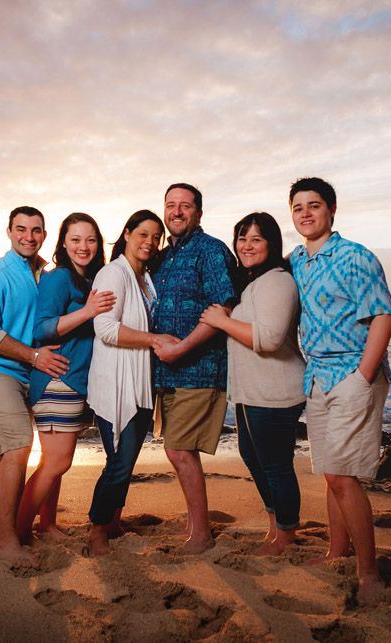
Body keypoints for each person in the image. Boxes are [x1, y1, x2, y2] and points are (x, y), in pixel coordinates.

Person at [287, 177, 391, 606]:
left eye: (314, 206)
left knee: (342, 474)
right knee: (331, 472)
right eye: (298, 208)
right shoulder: (296, 260)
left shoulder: (356, 256)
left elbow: (384, 315)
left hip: (354, 373)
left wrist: (363, 376)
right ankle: (336, 551)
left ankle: (369, 572)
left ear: (332, 210)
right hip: (316, 377)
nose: (306, 214)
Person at [0, 206, 70, 566]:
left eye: (36, 230)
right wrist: (35, 357)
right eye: (21, 229)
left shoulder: (47, 276)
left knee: (0, 451)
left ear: (44, 234)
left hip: (28, 376)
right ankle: (8, 542)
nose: (29, 236)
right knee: (20, 444)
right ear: (8, 231)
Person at [199, 212, 306, 556]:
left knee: (276, 466)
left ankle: (286, 538)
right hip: (252, 391)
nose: (246, 246)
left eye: (256, 239)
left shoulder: (277, 280)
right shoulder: (254, 282)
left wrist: (221, 321)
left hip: (276, 390)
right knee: (254, 458)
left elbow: (271, 338)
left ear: (272, 244)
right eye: (242, 239)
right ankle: (277, 529)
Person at [16, 212, 115, 547]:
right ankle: (16, 532)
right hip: (59, 380)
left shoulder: (92, 279)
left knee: (51, 461)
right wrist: (87, 312)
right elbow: (40, 328)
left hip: (78, 381)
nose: (83, 246)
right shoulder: (58, 277)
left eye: (90, 239)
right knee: (59, 461)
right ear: (63, 242)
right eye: (75, 239)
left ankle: (47, 524)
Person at [86, 210, 179, 556]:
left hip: (141, 382)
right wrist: (155, 340)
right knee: (119, 462)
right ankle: (97, 532)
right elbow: (105, 329)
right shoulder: (113, 273)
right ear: (126, 234)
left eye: (156, 237)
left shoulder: (145, 278)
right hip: (116, 382)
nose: (150, 242)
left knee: (126, 460)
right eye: (143, 234)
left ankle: (111, 522)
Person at [150, 183, 237, 553]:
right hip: (166, 373)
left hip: (200, 368)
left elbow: (224, 309)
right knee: (178, 450)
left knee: (180, 451)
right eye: (171, 205)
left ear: (199, 212)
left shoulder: (211, 250)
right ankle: (194, 525)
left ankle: (201, 535)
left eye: (185, 206)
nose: (177, 212)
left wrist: (182, 348)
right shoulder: (163, 257)